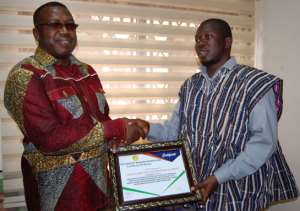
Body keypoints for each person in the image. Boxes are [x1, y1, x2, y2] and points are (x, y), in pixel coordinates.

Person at [134, 18, 298, 210]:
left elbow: (263, 144)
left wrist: (219, 177)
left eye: (207, 37)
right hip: (195, 192)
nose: (200, 43)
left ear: (227, 42)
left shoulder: (254, 84)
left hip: (237, 194)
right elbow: (175, 132)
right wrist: (147, 128)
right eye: (197, 39)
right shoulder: (191, 86)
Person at [4, 2, 146, 211]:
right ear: (36, 33)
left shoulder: (87, 71)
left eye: (71, 26)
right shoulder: (25, 75)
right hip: (57, 197)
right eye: (55, 24)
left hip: (100, 190)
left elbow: (100, 122)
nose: (65, 31)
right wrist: (118, 128)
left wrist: (119, 138)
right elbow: (50, 139)